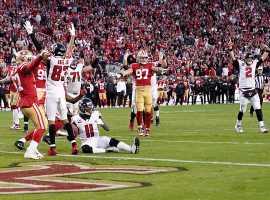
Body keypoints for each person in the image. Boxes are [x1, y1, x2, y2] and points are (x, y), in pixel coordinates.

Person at [0, 49, 50, 159]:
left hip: (25, 102)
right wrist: (40, 57)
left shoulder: (14, 71)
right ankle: (31, 150)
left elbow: (9, 79)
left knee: (43, 125)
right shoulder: (23, 66)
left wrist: (1, 81)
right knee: (41, 126)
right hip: (30, 101)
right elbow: (29, 67)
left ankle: (28, 145)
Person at [119, 49, 166, 136]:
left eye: (145, 58)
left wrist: (161, 67)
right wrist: (124, 73)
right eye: (142, 58)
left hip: (149, 88)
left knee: (148, 109)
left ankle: (147, 127)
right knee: (138, 109)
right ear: (138, 58)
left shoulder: (150, 65)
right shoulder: (134, 66)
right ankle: (137, 125)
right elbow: (127, 69)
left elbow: (158, 68)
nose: (144, 60)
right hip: (138, 89)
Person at [228, 41, 270, 133]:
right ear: (246, 59)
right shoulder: (241, 64)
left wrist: (267, 51)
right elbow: (234, 59)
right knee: (242, 109)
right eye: (249, 59)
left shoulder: (255, 64)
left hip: (252, 90)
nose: (250, 60)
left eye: (251, 58)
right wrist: (230, 49)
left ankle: (262, 126)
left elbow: (262, 59)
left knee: (258, 108)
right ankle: (238, 125)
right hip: (243, 91)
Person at [71, 98, 140, 154]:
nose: (90, 109)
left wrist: (101, 123)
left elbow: (107, 129)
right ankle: (107, 150)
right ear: (82, 108)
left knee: (112, 140)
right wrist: (72, 131)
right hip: (87, 142)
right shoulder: (75, 118)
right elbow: (73, 134)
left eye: (90, 107)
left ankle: (131, 149)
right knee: (85, 149)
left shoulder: (96, 114)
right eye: (88, 107)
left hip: (98, 140)